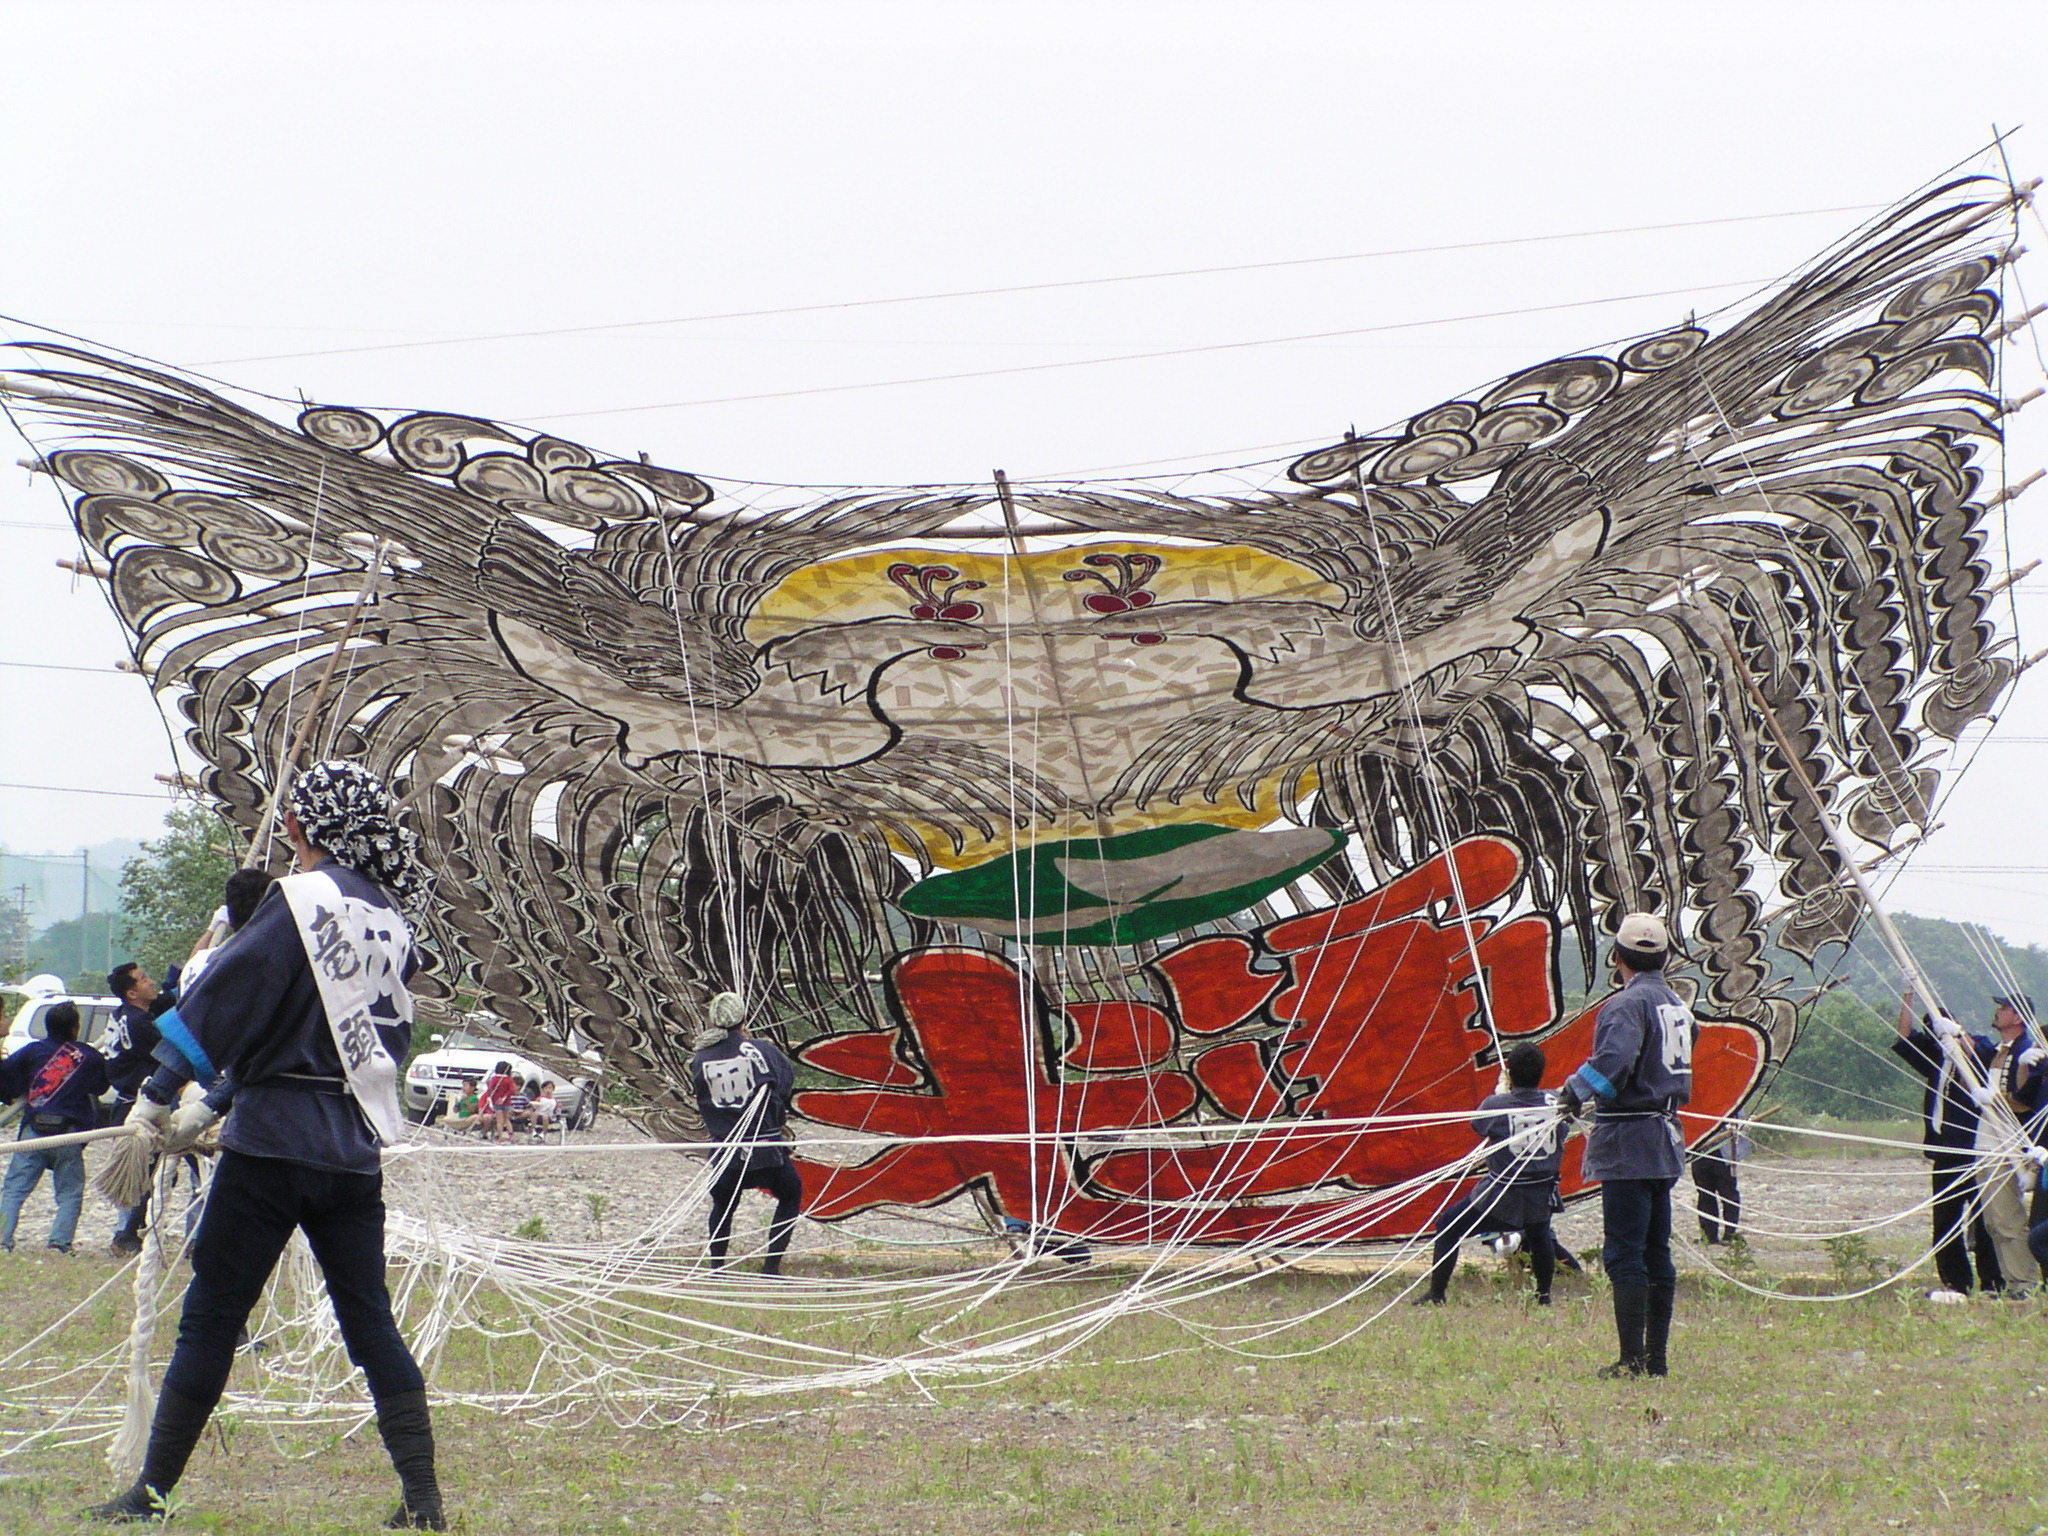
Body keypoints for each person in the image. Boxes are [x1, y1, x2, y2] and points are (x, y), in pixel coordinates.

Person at [86, 761, 446, 1529]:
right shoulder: (393, 917)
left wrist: (157, 1098)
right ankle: (424, 1502)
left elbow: (233, 996)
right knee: (371, 1322)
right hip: (353, 1150)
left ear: (297, 827)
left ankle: (149, 1497)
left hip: (273, 1143)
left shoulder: (301, 901)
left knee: (212, 1316)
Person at [1558, 912, 1695, 1379]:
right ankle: (1656, 1359)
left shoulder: (1626, 1005)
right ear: (1665, 956)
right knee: (1657, 1250)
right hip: (1665, 1140)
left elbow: (1613, 1063)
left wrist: (1573, 1091)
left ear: (1616, 958)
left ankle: (1633, 1360)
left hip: (1629, 1141)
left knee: (1625, 1252)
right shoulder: (1677, 1005)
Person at [1417, 1042, 1565, 1306]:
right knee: (1540, 1234)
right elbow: (1562, 1128)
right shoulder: (1557, 1102)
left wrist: (1501, 1093)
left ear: (1509, 1072)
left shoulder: (1496, 1104)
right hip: (1540, 1198)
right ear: (1542, 1072)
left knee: (1448, 1226)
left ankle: (1436, 1294)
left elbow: (1479, 1126)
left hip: (1499, 1199)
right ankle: (1543, 1296)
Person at [1892, 982, 2007, 1298]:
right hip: (1944, 1151)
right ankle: (1956, 1281)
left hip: (1975, 1149)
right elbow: (1904, 1036)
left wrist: (1956, 1035)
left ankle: (1993, 1281)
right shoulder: (1935, 1058)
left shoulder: (1980, 1048)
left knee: (1984, 1221)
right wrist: (1908, 997)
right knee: (1945, 1220)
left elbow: (1977, 1052)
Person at [688, 994, 802, 1277]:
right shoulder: (761, 1049)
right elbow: (786, 1086)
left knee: (723, 1205)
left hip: (725, 1151)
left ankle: (717, 1268)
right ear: (744, 1019)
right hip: (767, 1153)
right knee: (791, 1194)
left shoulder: (700, 1057)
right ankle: (771, 1269)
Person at [0, 1002, 110, 1253]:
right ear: (75, 1028)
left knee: (14, 1189)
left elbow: (6, 1080)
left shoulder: (32, 1051)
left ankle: (2, 1241)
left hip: (34, 1131)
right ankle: (59, 1243)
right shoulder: (89, 1056)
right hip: (69, 1132)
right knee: (69, 1193)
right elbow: (101, 1088)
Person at [102, 962, 165, 1256]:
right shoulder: (140, 1024)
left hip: (126, 1101)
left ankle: (127, 1232)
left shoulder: (121, 1015)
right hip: (141, 1106)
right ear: (131, 992)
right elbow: (174, 1053)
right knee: (143, 1173)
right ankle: (126, 1235)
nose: (150, 982)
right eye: (144, 979)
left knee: (145, 1173)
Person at [1689, 1126, 1749, 1246]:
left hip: (1724, 1154)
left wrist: (1736, 1126)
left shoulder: (1729, 1108)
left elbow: (1740, 1122)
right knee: (1705, 1195)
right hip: (1700, 1153)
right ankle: (1709, 1235)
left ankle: (1729, 1235)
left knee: (1728, 1194)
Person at [477, 1062, 517, 1140]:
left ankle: (500, 1137)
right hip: (506, 1102)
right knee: (506, 1119)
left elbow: (490, 1089)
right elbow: (512, 1090)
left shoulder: (494, 1079)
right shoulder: (509, 1080)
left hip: (496, 1102)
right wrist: (504, 1097)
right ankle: (511, 1135)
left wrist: (489, 1097)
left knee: (499, 1121)